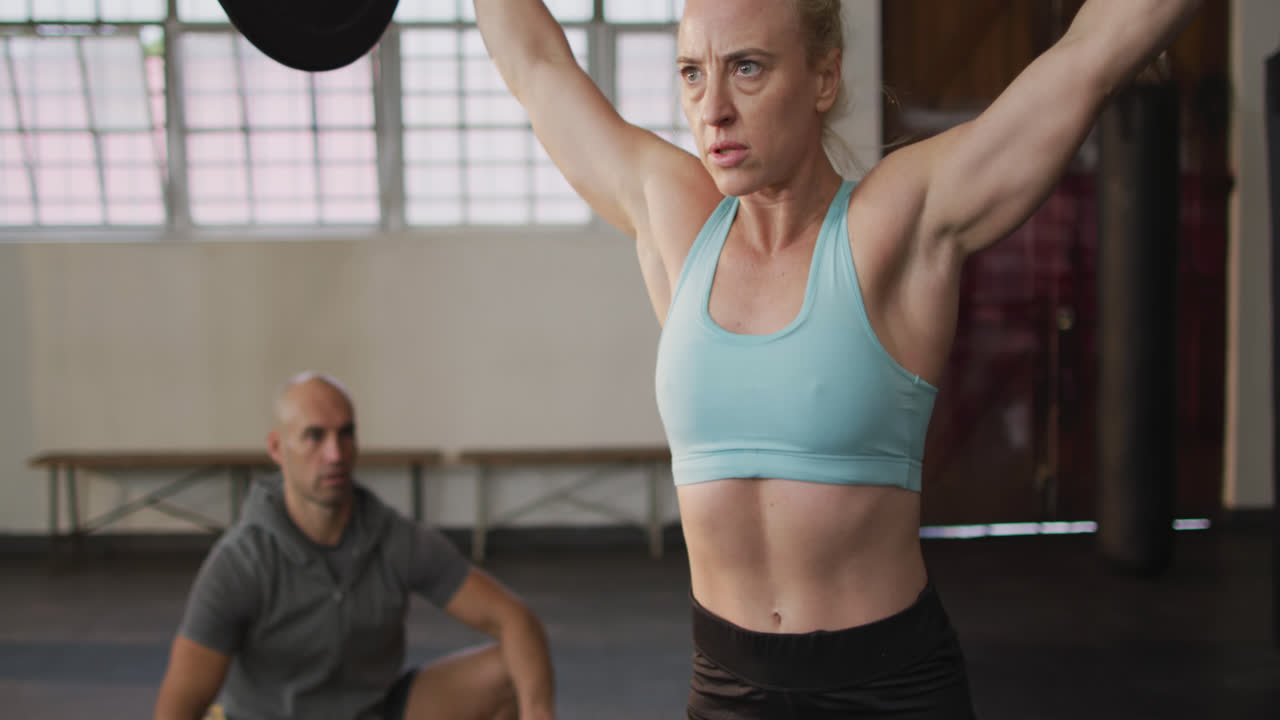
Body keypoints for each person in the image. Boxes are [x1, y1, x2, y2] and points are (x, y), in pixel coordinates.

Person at [474, 0, 1203, 717]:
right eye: (692, 74)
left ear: (824, 78)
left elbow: (1090, 58)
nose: (714, 108)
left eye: (747, 68)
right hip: (726, 689)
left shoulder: (895, 222)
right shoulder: (675, 217)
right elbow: (538, 66)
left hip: (888, 689)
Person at [154, 372, 554, 720]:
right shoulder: (240, 563)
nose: (334, 454)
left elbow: (514, 619)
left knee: (510, 673)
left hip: (372, 714)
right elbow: (180, 702)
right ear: (277, 449)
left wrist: (538, 713)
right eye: (314, 436)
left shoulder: (397, 539)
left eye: (345, 434)